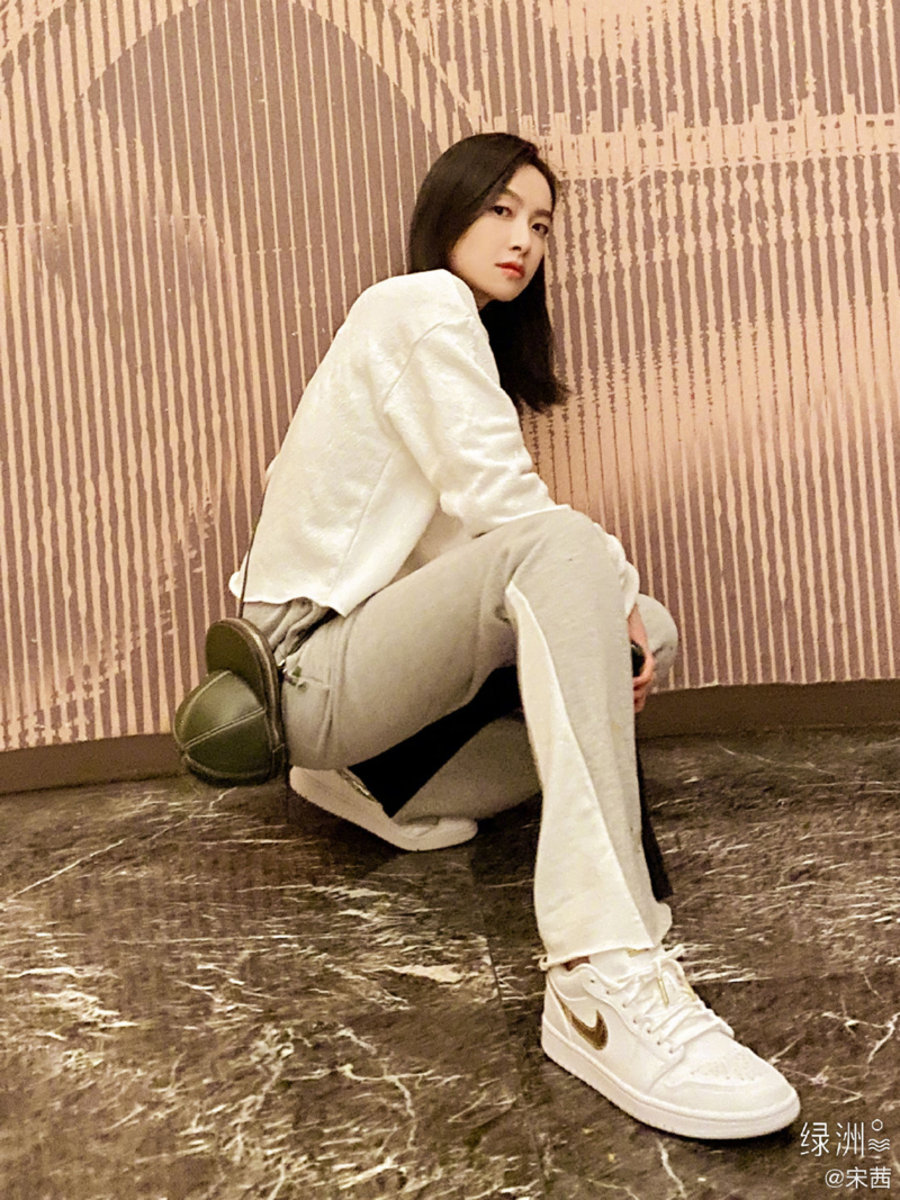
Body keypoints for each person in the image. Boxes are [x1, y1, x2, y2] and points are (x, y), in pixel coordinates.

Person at [229, 132, 800, 1140]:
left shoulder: (454, 342)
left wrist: (614, 615)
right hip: (305, 665)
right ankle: (599, 971)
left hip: (368, 678)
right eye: (500, 209)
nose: (524, 239)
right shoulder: (416, 307)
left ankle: (366, 784)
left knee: (639, 629)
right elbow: (509, 511)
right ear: (447, 209)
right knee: (573, 561)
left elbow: (467, 550)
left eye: (540, 224)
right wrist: (609, 590)